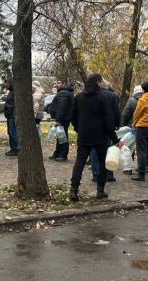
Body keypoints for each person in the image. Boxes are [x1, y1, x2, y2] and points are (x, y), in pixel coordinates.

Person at [70, 73, 116, 201]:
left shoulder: (79, 97)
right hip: (100, 136)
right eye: (101, 81)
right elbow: (108, 119)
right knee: (102, 163)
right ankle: (100, 190)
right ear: (97, 83)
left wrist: (78, 128)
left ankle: (73, 190)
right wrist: (114, 137)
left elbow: (73, 116)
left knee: (79, 162)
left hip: (84, 135)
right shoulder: (102, 98)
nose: (102, 83)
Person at [89, 79, 121, 183]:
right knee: (109, 150)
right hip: (109, 127)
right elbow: (116, 112)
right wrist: (117, 125)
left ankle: (96, 174)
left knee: (94, 151)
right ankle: (109, 174)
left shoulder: (92, 95)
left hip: (94, 127)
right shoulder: (113, 96)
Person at [49, 80, 75, 161]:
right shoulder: (65, 92)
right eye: (56, 83)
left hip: (63, 118)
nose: (56, 84)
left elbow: (61, 108)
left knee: (62, 136)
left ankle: (62, 154)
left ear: (64, 84)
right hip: (64, 118)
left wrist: (58, 119)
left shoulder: (63, 93)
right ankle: (58, 153)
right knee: (60, 136)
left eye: (58, 83)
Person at [4, 79, 19, 156]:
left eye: (6, 84)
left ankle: (15, 149)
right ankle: (14, 148)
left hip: (12, 116)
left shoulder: (15, 92)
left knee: (12, 133)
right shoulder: (11, 92)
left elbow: (16, 105)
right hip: (10, 115)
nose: (5, 85)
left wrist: (13, 114)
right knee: (11, 132)